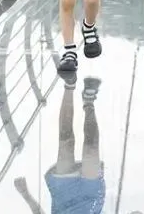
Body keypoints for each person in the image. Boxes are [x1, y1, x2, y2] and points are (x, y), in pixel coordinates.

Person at [14, 77, 104, 214]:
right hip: (90, 201)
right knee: (91, 147)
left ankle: (69, 85)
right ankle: (89, 102)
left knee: (66, 142)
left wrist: (26, 194)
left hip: (64, 196)